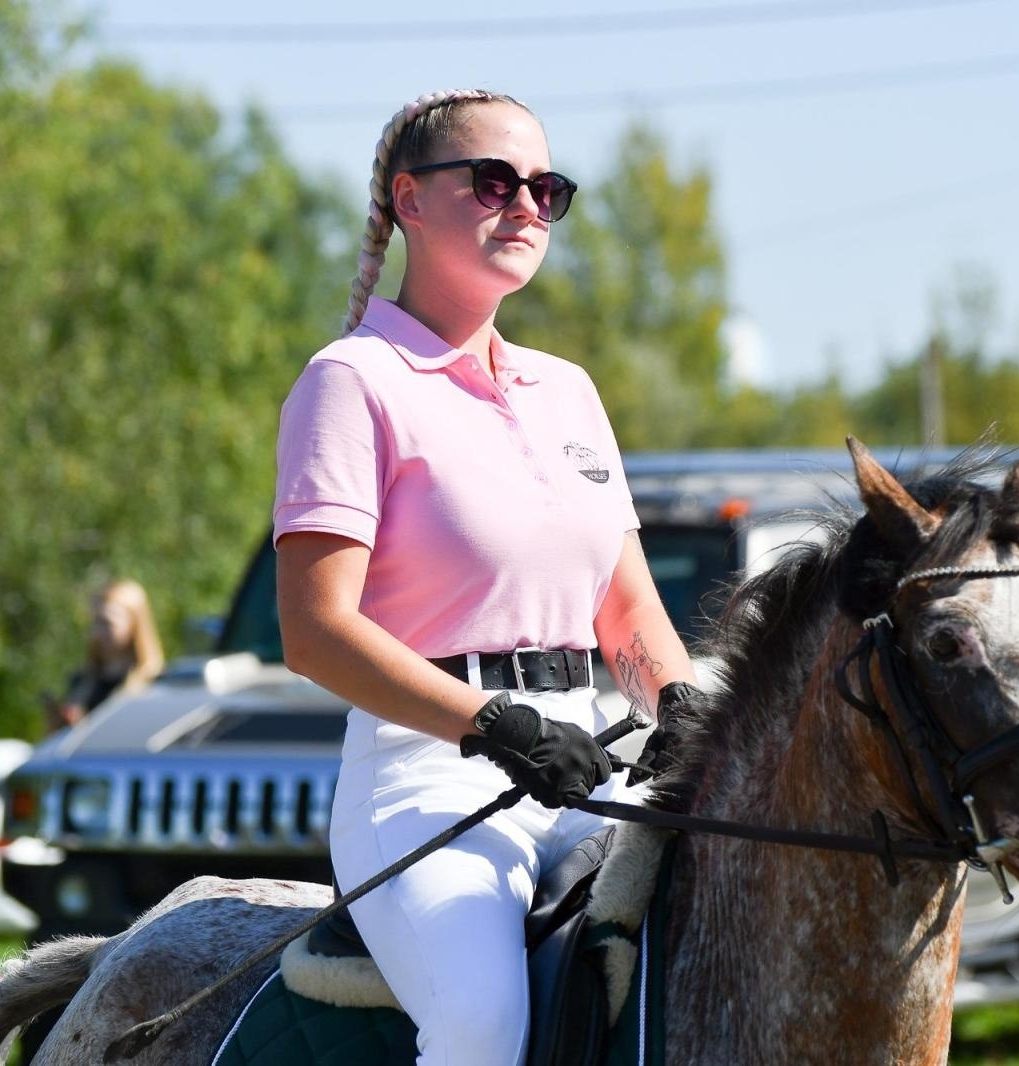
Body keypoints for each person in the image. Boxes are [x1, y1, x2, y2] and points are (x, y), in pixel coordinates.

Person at [272, 89, 700, 1066]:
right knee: (478, 1023)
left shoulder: (570, 389)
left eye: (545, 189)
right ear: (410, 199)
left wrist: (678, 704)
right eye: (494, 182)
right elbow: (314, 628)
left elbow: (625, 610)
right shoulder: (351, 380)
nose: (525, 208)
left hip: (595, 754)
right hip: (427, 775)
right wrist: (491, 725)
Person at [51, 578, 165, 730]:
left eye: (107, 623)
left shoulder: (157, 682)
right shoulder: (82, 682)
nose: (97, 633)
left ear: (135, 624)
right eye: (95, 622)